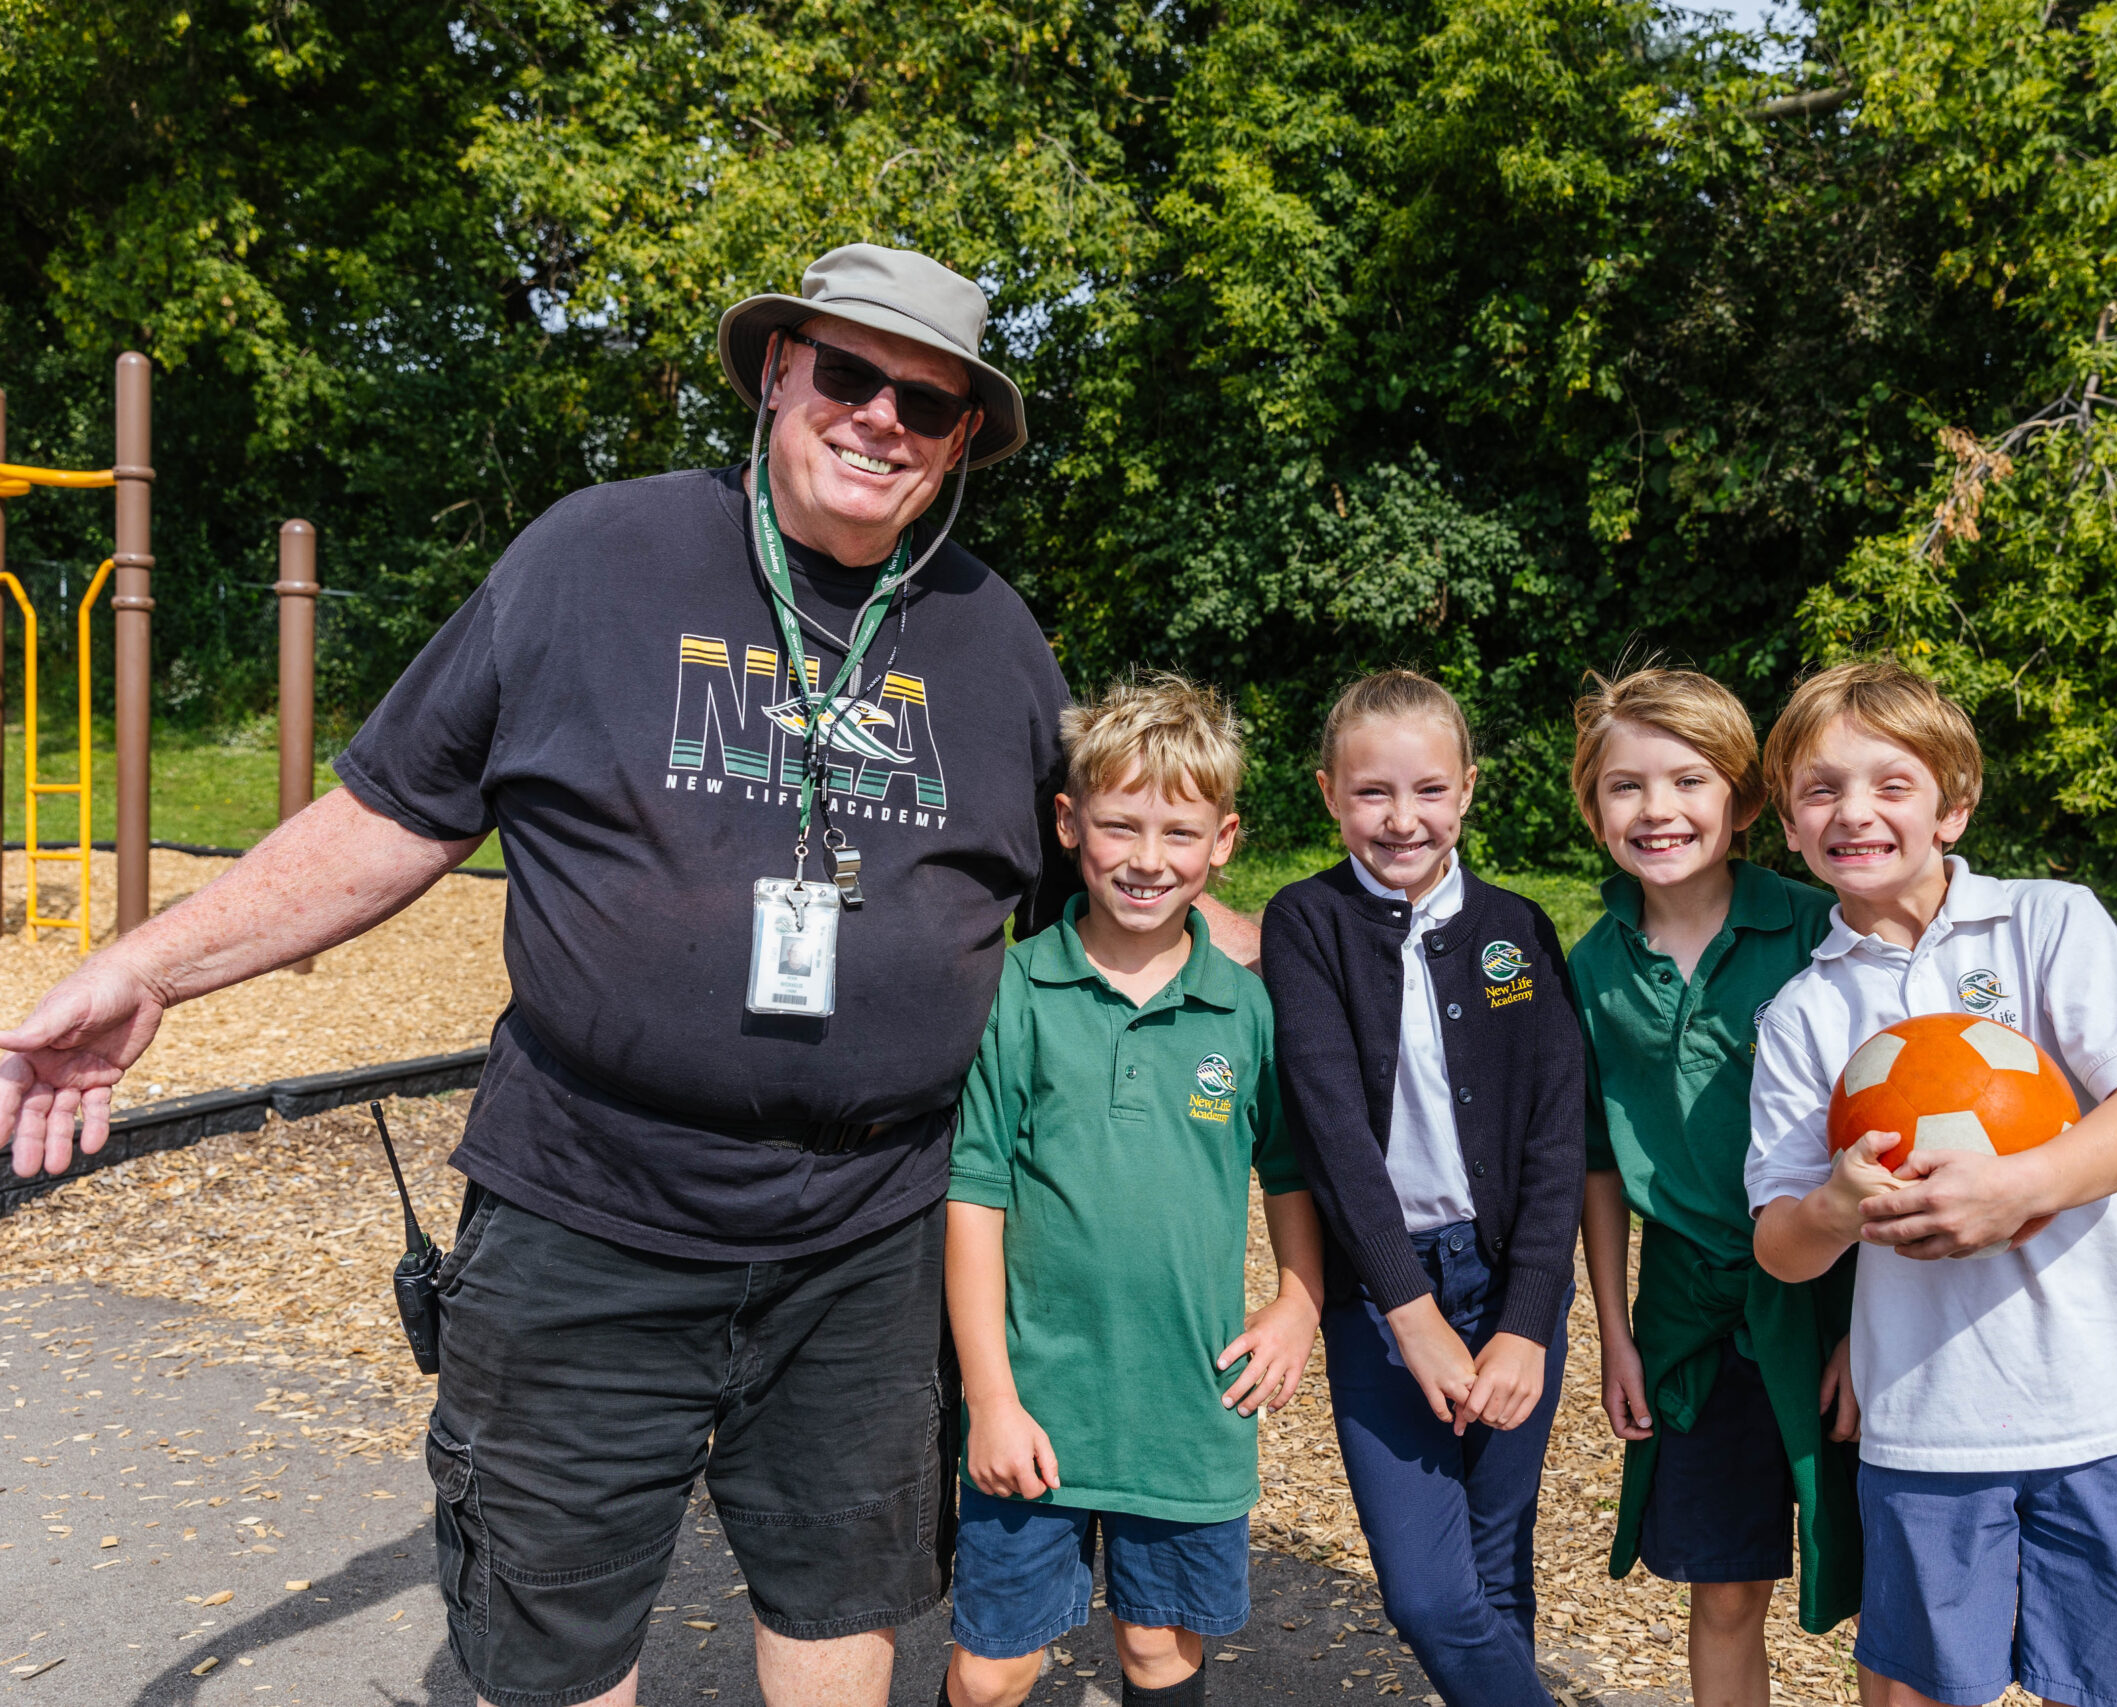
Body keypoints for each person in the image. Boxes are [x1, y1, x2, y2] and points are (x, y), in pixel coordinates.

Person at [0, 244, 1254, 1707]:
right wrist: (151, 967)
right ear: (779, 372)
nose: (882, 418)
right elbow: (397, 812)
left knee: (845, 1587)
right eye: (850, 375)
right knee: (553, 1628)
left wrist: (1346, 974)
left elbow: (1109, 902)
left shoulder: (993, 638)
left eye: (929, 399)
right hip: (589, 1209)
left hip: (868, 1234)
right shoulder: (593, 557)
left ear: (965, 437)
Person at [1744, 659, 2117, 1707]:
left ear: (1952, 807)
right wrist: (1831, 1206)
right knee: (1916, 1688)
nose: (1853, 812)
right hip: (1925, 1420)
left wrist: (2021, 1184)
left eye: (1890, 785)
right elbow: (1779, 1240)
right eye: (1820, 790)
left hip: (2097, 1400)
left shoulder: (2047, 923)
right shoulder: (1801, 1016)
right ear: (1785, 823)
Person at [941, 674, 1322, 1707]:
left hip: (1184, 1413)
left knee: (1158, 1653)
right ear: (1070, 825)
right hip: (1038, 1406)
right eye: (1119, 825)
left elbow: (1287, 1172)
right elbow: (972, 1198)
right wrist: (990, 1400)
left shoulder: (1247, 1010)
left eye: (1178, 831)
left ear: (1224, 841)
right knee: (990, 1672)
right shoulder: (1017, 992)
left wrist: (1299, 1299)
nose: (1148, 859)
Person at [1259, 670, 1585, 1707]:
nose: (1403, 819)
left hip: (1505, 1287)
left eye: (1429, 790)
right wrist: (1411, 1314)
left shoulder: (1519, 929)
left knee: (1497, 1579)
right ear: (1327, 795)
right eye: (1372, 794)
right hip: (1381, 1291)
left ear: (1469, 790)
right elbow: (1331, 1138)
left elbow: (1554, 1134)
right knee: (1430, 1596)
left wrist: (1529, 1321)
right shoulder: (1304, 923)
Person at [1564, 666, 1863, 1707]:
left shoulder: (1821, 930)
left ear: (1742, 801)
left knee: (1888, 1569)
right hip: (1694, 1315)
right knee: (1725, 1587)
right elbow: (1596, 1164)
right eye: (1624, 786)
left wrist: (1870, 1334)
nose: (1657, 811)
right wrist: (1616, 1332)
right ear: (1591, 806)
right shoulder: (1591, 968)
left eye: (1688, 781)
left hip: (1843, 1296)